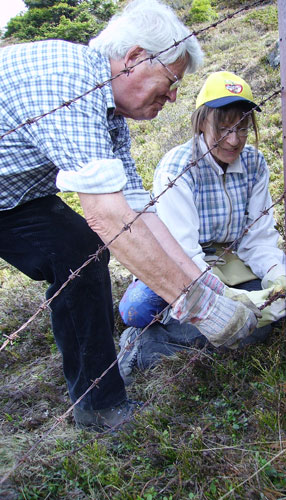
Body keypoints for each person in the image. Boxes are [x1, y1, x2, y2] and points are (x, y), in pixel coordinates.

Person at [0, 3, 262, 431]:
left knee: (78, 252)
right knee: (86, 240)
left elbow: (137, 210)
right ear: (136, 57)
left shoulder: (109, 112)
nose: (175, 96)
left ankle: (98, 406)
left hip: (16, 196)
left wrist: (204, 284)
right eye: (171, 81)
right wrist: (200, 308)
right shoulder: (67, 81)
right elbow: (107, 215)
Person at [118, 71, 286, 381]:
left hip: (227, 260)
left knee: (257, 323)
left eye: (242, 128)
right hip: (177, 260)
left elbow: (258, 237)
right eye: (223, 129)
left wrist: (277, 275)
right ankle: (144, 344)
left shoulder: (254, 163)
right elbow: (182, 250)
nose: (234, 140)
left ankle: (169, 337)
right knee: (138, 308)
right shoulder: (179, 166)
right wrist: (223, 296)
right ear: (200, 123)